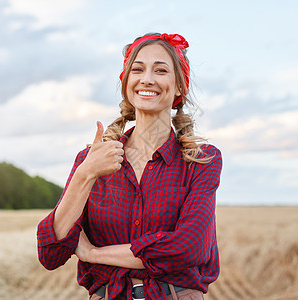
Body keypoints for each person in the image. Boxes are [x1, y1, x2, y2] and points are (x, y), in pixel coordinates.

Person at [37, 32, 223, 300]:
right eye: (138, 69)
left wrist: (93, 254)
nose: (147, 79)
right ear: (126, 82)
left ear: (180, 87)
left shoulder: (201, 160)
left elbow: (188, 248)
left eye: (160, 70)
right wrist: (86, 174)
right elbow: (50, 253)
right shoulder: (90, 160)